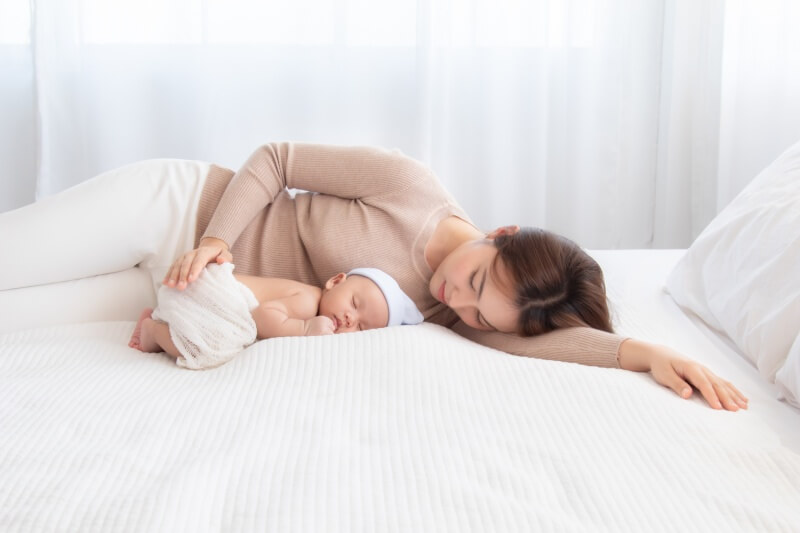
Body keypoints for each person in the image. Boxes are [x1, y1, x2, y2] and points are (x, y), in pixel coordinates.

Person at [0, 143, 748, 410]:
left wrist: (645, 353)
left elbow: (533, 344)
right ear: (502, 231)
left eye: (483, 315)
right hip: (175, 210)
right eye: (477, 278)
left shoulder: (445, 316)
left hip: (180, 296)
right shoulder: (410, 186)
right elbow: (276, 159)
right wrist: (218, 239)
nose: (462, 301)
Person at [129, 264, 424, 369]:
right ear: (335, 282)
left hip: (202, 300)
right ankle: (153, 331)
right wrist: (305, 328)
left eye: (361, 327)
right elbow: (261, 316)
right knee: (207, 349)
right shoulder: (309, 302)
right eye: (355, 304)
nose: (349, 319)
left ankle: (161, 319)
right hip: (209, 292)